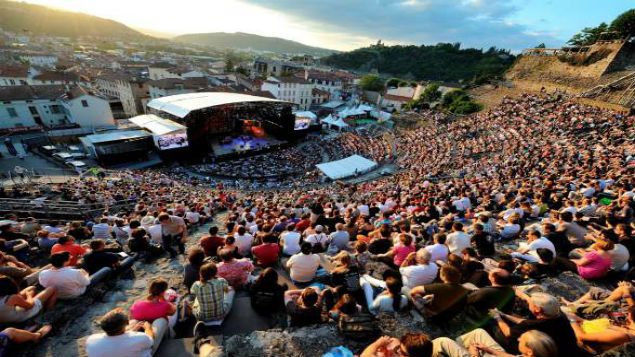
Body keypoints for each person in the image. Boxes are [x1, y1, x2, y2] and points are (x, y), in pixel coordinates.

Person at [491, 292, 580, 355]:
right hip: (570, 350)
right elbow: (523, 322)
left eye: (530, 303)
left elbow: (507, 332)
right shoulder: (560, 316)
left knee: (498, 330)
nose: (528, 303)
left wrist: (497, 317)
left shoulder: (532, 325)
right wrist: (504, 315)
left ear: (537, 309)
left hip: (550, 353)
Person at [85, 308, 155, 357]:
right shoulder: (140, 337)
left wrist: (131, 330)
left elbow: (116, 341)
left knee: (133, 321)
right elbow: (150, 342)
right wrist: (148, 328)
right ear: (126, 325)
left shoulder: (91, 339)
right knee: (160, 322)